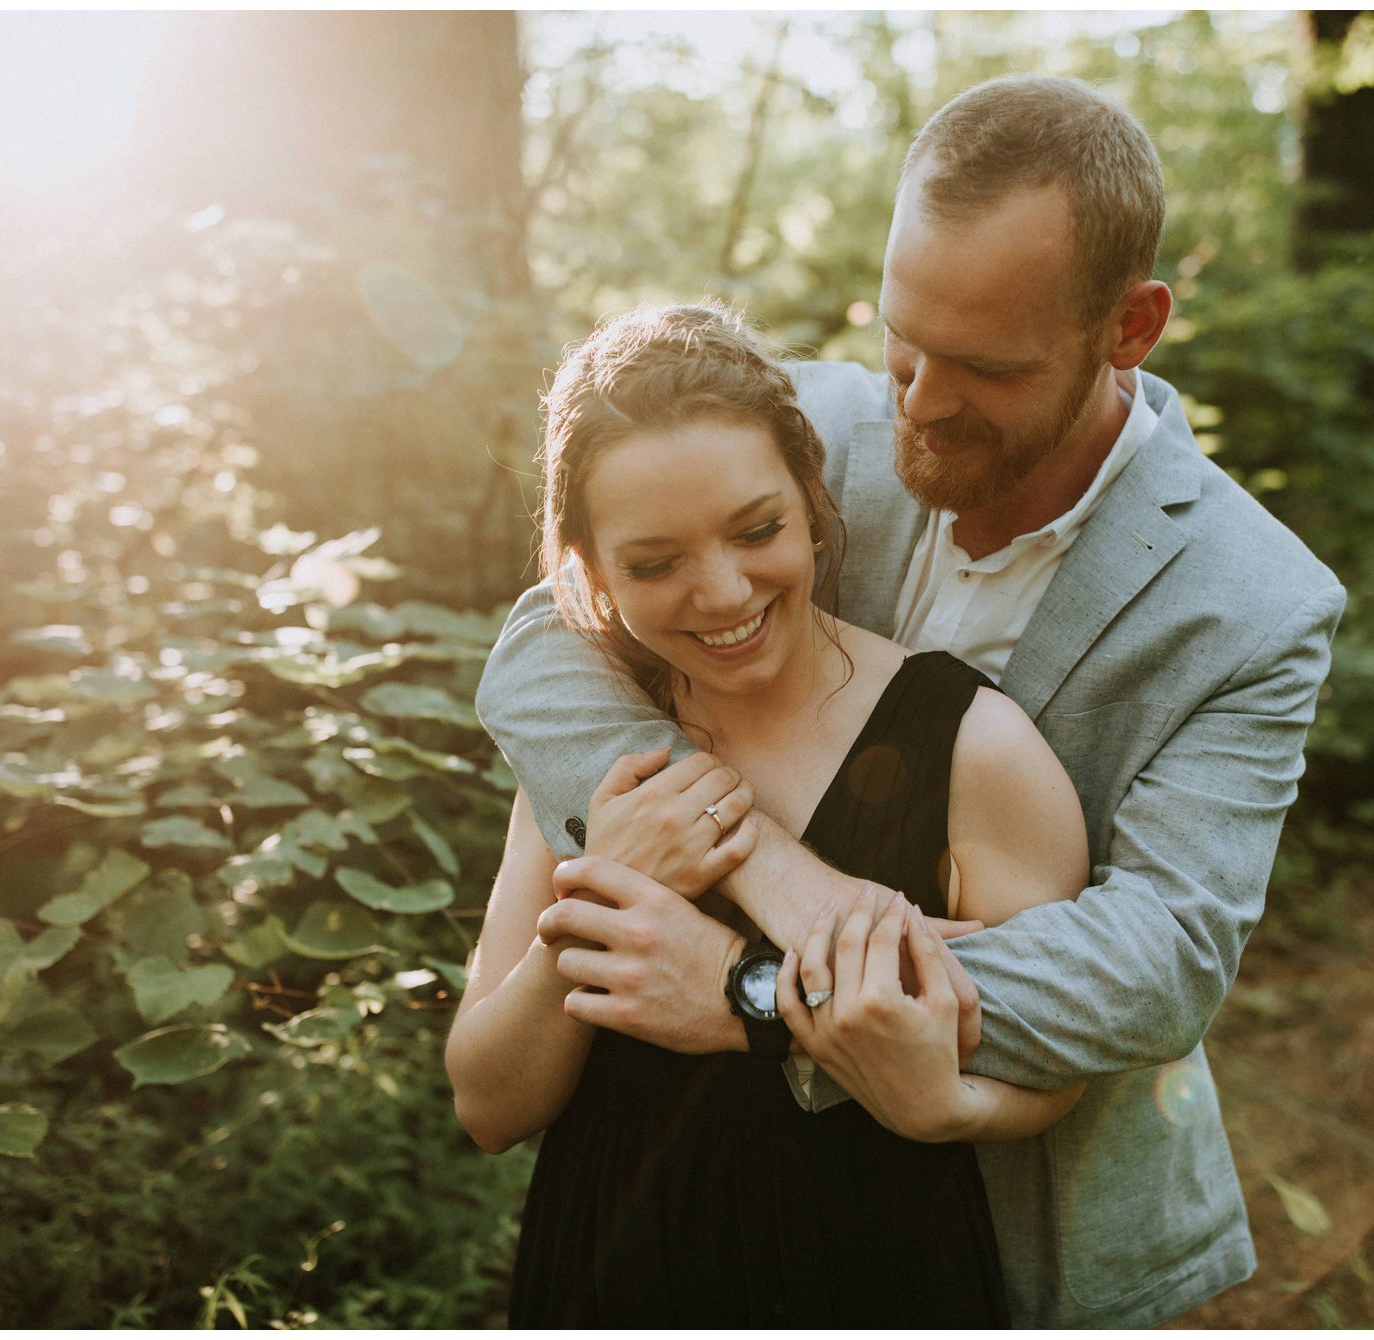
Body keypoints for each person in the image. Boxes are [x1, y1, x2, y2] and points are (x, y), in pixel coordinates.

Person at [474, 76, 1345, 1327]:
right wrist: (772, 868)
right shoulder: (805, 428)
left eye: (984, 364)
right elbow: (538, 641)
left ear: (1128, 326)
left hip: (1006, 1198)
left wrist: (758, 991)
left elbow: (1159, 962)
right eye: (902, 337)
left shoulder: (1253, 602)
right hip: (689, 1195)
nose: (919, 402)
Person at [444, 303, 1095, 1326]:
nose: (721, 593)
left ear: (813, 496)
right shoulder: (595, 747)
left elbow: (1048, 1062)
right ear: (588, 570)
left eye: (757, 531)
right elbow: (488, 1106)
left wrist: (768, 1013)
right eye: (653, 564)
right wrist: (598, 904)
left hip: (869, 1265)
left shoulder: (977, 750)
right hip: (611, 1259)